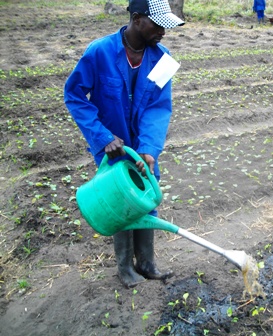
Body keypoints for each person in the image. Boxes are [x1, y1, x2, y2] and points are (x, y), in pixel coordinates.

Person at [64, 0, 184, 288]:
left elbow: (158, 108)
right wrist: (103, 136)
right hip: (112, 147)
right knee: (121, 198)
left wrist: (149, 149)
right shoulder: (100, 52)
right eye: (158, 24)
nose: (164, 32)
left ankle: (146, 263)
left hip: (142, 147)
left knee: (146, 196)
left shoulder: (163, 58)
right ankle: (124, 267)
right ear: (137, 18)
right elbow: (75, 96)